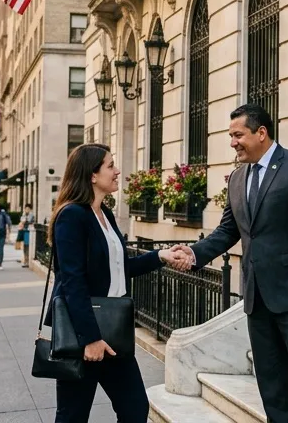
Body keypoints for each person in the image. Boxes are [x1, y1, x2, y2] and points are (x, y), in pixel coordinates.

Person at [180, 104, 288, 423]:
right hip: (257, 299)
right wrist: (195, 253)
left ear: (261, 133)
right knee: (271, 384)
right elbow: (228, 230)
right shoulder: (238, 178)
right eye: (231, 136)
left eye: (238, 135)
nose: (233, 142)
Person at [48, 143, 193, 423]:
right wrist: (90, 339)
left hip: (115, 332)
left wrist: (160, 255)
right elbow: (72, 282)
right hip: (83, 335)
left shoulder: (104, 214)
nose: (117, 171)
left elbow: (119, 268)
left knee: (135, 409)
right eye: (110, 165)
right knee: (72, 416)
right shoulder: (72, 216)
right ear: (92, 175)